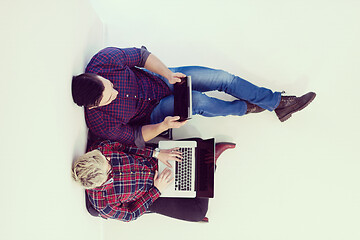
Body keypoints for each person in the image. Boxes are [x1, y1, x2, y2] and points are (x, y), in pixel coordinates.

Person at [72, 46, 316, 148]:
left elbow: (140, 56)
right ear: (94, 107)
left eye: (110, 87)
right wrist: (162, 126)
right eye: (109, 99)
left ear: (95, 75)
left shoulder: (104, 61)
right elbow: (135, 135)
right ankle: (244, 108)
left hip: (160, 79)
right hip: (155, 112)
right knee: (198, 101)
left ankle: (277, 103)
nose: (114, 93)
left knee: (221, 78)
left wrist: (167, 73)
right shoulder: (98, 121)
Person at [71, 139, 234, 222]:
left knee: (197, 144)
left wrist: (156, 154)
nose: (108, 159)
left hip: (152, 161)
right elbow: (130, 215)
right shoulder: (103, 204)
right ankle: (210, 165)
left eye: (105, 158)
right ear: (102, 180)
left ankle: (207, 160)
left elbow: (125, 147)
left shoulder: (100, 150)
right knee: (198, 213)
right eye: (108, 164)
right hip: (151, 193)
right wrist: (156, 190)